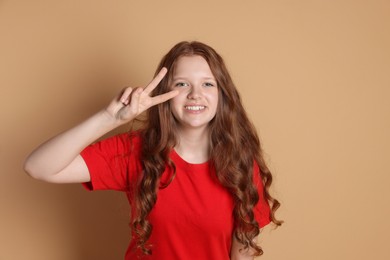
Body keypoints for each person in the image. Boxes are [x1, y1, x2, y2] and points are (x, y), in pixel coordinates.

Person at [24, 41, 282, 260]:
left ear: (222, 95)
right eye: (182, 84)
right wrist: (109, 118)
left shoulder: (241, 163)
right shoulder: (135, 150)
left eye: (207, 84)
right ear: (165, 93)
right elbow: (38, 167)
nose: (195, 94)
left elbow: (242, 250)